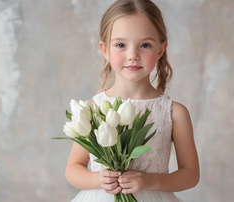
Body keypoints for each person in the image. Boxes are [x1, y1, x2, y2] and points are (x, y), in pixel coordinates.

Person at [65, 0, 200, 201]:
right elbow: (73, 169)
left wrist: (150, 181)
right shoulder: (93, 109)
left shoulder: (174, 113)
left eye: (145, 45)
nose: (133, 55)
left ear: (161, 50)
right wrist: (98, 179)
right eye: (120, 45)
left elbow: (190, 174)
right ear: (104, 49)